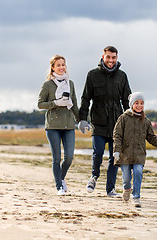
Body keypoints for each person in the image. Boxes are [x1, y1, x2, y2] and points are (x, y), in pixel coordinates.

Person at [78, 46, 132, 197]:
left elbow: (127, 100)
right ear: (103, 57)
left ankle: (110, 189)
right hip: (98, 121)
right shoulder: (92, 75)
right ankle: (94, 176)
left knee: (115, 157)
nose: (111, 60)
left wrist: (131, 118)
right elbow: (85, 98)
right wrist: (82, 119)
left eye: (113, 57)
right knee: (98, 152)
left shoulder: (122, 76)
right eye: (108, 57)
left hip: (117, 122)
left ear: (117, 58)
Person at [113, 92, 157, 207]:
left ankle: (136, 196)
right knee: (126, 178)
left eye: (142, 103)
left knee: (138, 172)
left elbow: (151, 137)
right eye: (137, 103)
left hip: (139, 154)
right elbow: (117, 135)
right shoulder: (123, 118)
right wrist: (117, 150)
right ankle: (127, 188)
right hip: (125, 154)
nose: (139, 105)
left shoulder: (146, 121)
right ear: (132, 104)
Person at [38, 55, 80, 196]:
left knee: (69, 157)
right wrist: (55, 103)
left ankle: (61, 179)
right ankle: (59, 187)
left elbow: (74, 104)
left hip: (68, 125)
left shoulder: (70, 83)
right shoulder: (47, 84)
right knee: (57, 158)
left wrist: (81, 120)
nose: (62, 67)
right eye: (58, 65)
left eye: (63, 64)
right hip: (53, 126)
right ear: (53, 67)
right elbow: (40, 104)